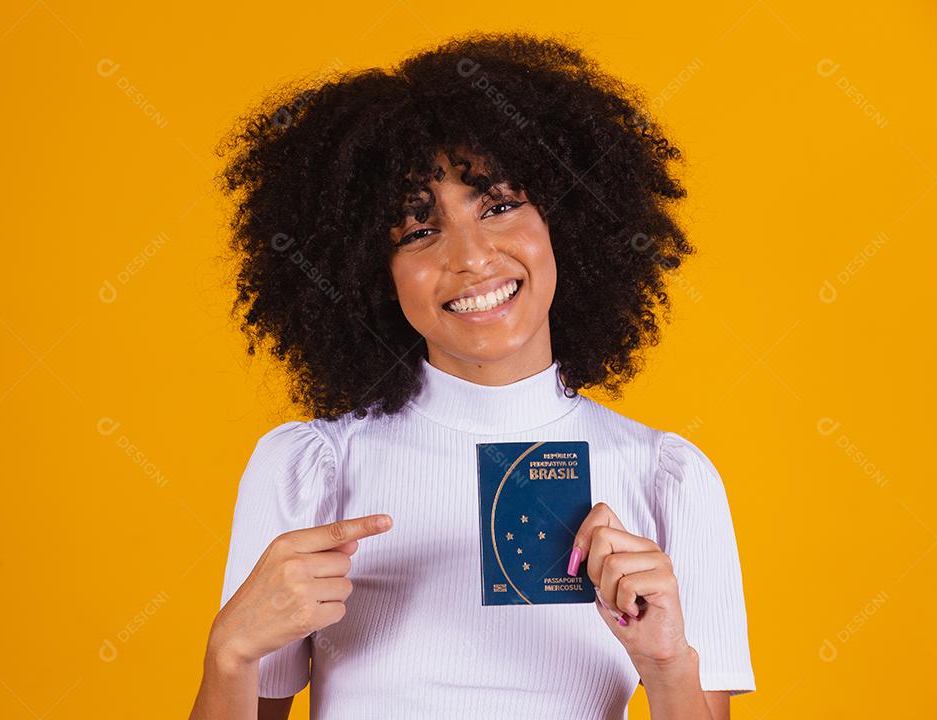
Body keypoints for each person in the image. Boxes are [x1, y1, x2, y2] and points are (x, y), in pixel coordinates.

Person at [189, 31, 755, 720]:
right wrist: (230, 653)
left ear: (567, 222)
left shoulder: (668, 477)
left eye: (499, 205)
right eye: (419, 231)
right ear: (370, 271)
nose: (473, 257)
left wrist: (667, 667)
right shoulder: (309, 469)